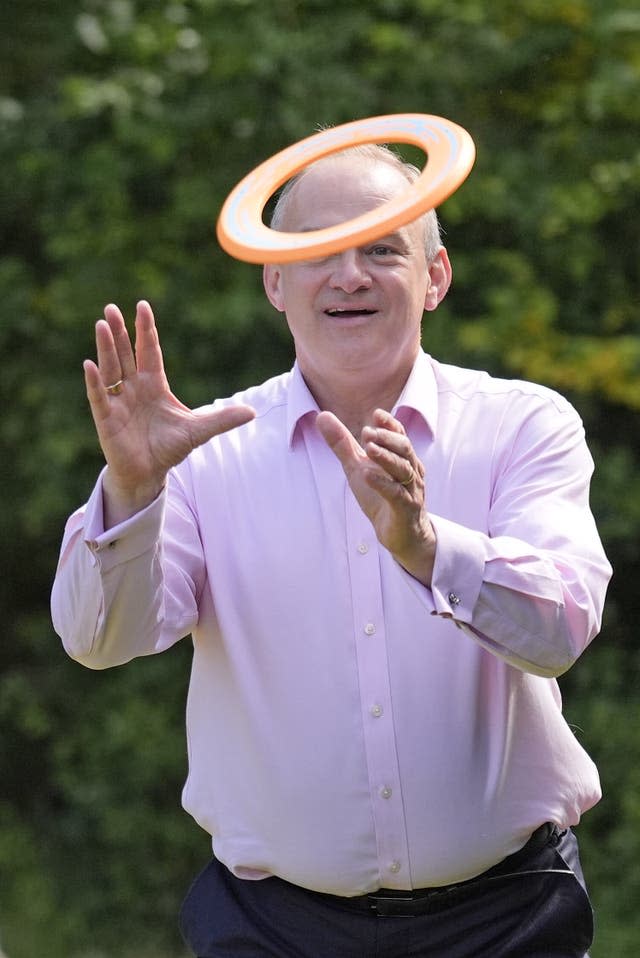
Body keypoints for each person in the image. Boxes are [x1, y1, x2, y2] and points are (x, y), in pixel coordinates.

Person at [51, 142, 611, 958]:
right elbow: (98, 642)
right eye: (318, 252)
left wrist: (426, 548)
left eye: (383, 248)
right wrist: (133, 490)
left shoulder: (524, 425)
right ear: (275, 281)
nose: (349, 274)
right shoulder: (204, 455)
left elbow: (558, 633)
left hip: (509, 919)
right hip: (271, 929)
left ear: (436, 277)